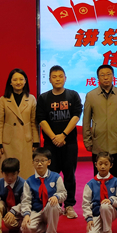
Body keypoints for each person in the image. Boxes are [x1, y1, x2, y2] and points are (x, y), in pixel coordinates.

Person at [36, 65, 83, 218]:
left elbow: (76, 116)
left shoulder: (73, 95)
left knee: (69, 175)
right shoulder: (43, 98)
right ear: (49, 79)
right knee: (52, 175)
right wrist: (54, 137)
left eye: (60, 76)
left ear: (65, 78)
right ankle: (54, 205)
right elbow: (41, 119)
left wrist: (63, 135)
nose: (57, 79)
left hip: (69, 143)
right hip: (51, 144)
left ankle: (69, 205)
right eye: (54, 77)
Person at [83, 64, 117, 217]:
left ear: (113, 76)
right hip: (98, 142)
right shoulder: (91, 96)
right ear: (98, 77)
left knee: (116, 176)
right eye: (102, 75)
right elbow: (86, 120)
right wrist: (87, 140)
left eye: (108, 74)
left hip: (116, 141)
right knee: (99, 176)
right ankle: (97, 205)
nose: (106, 77)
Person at [0, 68, 39, 180]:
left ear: (25, 81)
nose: (18, 82)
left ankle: (26, 190)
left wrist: (36, 142)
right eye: (15, 80)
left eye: (21, 79)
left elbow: (34, 123)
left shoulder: (31, 99)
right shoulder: (3, 100)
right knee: (8, 171)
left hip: (26, 140)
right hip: (8, 142)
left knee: (26, 170)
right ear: (10, 82)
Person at [20, 147, 67, 233]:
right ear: (33, 162)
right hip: (36, 211)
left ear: (49, 162)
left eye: (42, 161)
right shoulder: (29, 181)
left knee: (53, 204)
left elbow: (63, 193)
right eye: (37, 161)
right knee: (25, 229)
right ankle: (43, 228)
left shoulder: (56, 177)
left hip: (51, 210)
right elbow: (26, 200)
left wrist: (56, 197)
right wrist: (26, 215)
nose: (39, 163)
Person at [83, 151, 117, 233]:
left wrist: (112, 200)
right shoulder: (90, 184)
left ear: (111, 165)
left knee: (105, 205)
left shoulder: (116, 182)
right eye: (100, 164)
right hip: (96, 213)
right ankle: (102, 228)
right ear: (96, 165)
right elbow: (85, 203)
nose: (103, 166)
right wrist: (89, 218)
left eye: (106, 164)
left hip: (110, 211)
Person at [0, 157, 25, 233]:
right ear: (2, 173)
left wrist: (14, 211)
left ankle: (17, 226)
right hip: (5, 207)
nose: (10, 178)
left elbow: (25, 202)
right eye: (6, 174)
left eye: (13, 174)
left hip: (18, 212)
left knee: (9, 222)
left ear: (18, 173)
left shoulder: (23, 184)